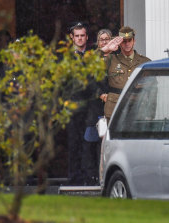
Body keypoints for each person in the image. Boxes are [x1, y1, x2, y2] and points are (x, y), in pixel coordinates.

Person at [67, 22, 103, 185]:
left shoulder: (93, 56)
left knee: (88, 143)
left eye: (82, 35)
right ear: (72, 38)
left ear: (87, 37)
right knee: (73, 143)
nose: (80, 38)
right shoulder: (65, 57)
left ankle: (89, 177)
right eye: (77, 36)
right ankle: (74, 177)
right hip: (73, 106)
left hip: (90, 106)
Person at [99, 26, 151, 120]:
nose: (127, 44)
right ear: (119, 43)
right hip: (115, 110)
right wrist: (105, 49)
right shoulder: (111, 60)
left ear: (134, 41)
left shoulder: (145, 62)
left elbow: (153, 88)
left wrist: (151, 113)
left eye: (129, 40)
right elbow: (89, 63)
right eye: (124, 41)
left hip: (138, 110)